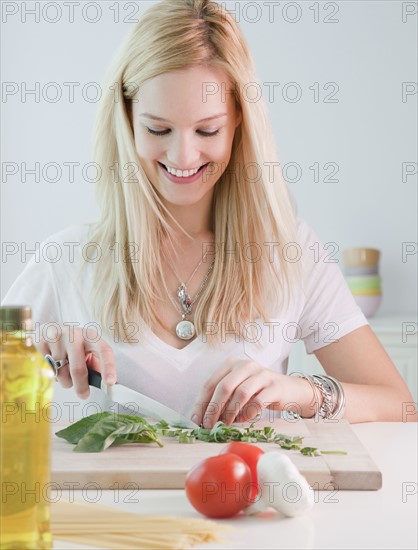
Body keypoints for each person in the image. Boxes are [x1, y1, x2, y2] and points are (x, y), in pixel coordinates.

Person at [2, 0, 415, 425]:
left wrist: (299, 392)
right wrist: (36, 352)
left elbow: (399, 408)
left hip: (251, 494)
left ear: (239, 121)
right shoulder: (65, 260)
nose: (183, 155)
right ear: (125, 119)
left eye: (207, 129)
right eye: (157, 128)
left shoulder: (291, 251)